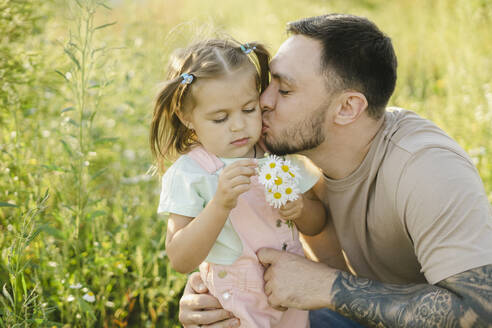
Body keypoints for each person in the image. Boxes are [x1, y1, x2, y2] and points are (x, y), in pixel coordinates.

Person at [178, 14, 492, 327]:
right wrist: (215, 301)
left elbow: (482, 312)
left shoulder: (427, 170)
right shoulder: (295, 153)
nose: (261, 102)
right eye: (267, 83)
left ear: (346, 108)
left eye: (284, 90)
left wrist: (329, 287)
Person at [150, 38, 327, 327]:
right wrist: (220, 205)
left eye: (248, 109)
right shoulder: (192, 173)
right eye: (220, 118)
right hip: (231, 305)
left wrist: (301, 208)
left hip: (290, 295)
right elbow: (180, 259)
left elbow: (318, 224)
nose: (238, 125)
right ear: (186, 117)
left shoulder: (280, 157)